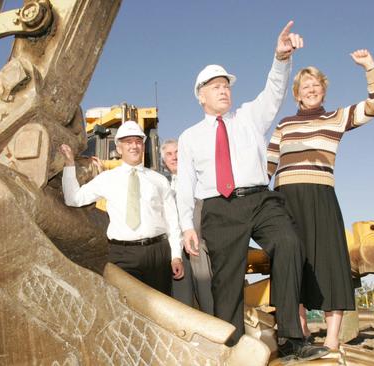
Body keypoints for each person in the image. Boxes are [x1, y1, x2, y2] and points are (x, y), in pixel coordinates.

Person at [176, 20, 328, 360]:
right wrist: (187, 225)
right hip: (219, 209)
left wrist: (280, 58)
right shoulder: (189, 138)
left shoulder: (250, 118)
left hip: (260, 199)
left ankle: (292, 338)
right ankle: (230, 348)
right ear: (201, 95)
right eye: (216, 86)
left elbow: (274, 91)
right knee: (227, 282)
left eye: (227, 85)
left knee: (289, 243)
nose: (224, 90)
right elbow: (184, 185)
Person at [267, 49, 374, 350]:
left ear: (323, 91)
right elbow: (267, 165)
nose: (311, 89)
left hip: (321, 197)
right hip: (285, 198)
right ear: (297, 93)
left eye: (316, 85)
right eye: (305, 85)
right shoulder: (284, 124)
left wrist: (369, 67)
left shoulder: (336, 118)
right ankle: (301, 330)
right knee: (291, 263)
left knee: (331, 263)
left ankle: (332, 339)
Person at [61, 121, 184, 295]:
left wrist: (176, 256)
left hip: (158, 254)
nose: (134, 146)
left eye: (138, 141)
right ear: (119, 148)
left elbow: (172, 221)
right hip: (122, 255)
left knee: (157, 311)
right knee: (126, 307)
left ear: (143, 146)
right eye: (128, 142)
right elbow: (73, 199)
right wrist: (69, 164)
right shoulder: (107, 179)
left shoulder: (160, 181)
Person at [162, 139, 215, 314]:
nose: (174, 157)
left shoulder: (200, 182)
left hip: (199, 246)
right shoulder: (163, 186)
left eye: (177, 152)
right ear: (164, 160)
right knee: (182, 305)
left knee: (208, 299)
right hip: (177, 251)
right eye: (169, 154)